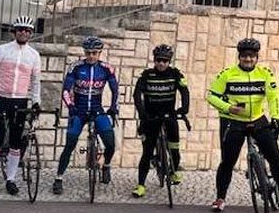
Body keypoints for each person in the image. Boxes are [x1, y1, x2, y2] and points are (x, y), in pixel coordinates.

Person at [207, 38, 279, 212]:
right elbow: (211, 96)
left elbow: (273, 96)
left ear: (257, 57)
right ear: (239, 57)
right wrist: (228, 107)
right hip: (233, 122)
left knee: (276, 159)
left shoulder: (265, 73)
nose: (248, 59)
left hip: (258, 119)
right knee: (227, 163)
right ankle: (220, 198)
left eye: (252, 56)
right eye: (245, 56)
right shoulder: (227, 74)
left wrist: (276, 117)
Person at [53, 36, 119, 195]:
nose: (91, 56)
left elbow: (115, 90)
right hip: (79, 111)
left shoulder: (106, 68)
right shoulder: (75, 67)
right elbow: (65, 91)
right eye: (88, 53)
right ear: (84, 52)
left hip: (97, 110)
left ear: (100, 53)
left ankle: (106, 166)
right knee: (70, 144)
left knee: (110, 143)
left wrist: (113, 108)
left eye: (95, 53)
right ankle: (58, 178)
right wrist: (70, 106)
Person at [0, 16, 42, 196]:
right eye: (20, 30)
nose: (23, 33)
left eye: (27, 31)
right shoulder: (1, 50)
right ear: (14, 31)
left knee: (16, 142)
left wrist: (36, 102)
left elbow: (35, 82)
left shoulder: (34, 55)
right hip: (0, 99)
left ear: (31, 34)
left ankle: (11, 179)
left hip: (20, 100)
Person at [131, 44, 190, 198]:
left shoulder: (175, 74)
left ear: (169, 61)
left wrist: (184, 108)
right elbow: (137, 95)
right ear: (154, 60)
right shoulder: (147, 75)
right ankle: (141, 185)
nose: (161, 63)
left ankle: (174, 171)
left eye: (165, 61)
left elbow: (184, 91)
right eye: (158, 60)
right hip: (150, 117)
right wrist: (142, 113)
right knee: (147, 152)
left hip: (169, 115)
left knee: (175, 149)